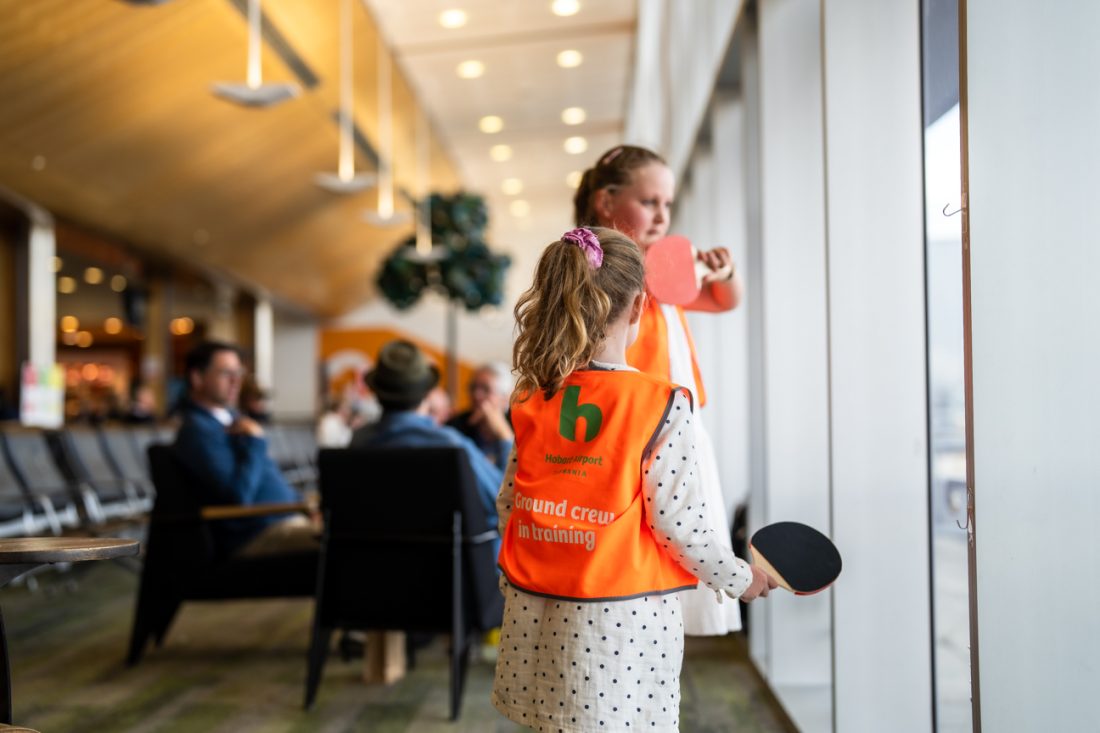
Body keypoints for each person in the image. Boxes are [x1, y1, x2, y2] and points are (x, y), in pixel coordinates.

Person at [492, 227, 774, 732]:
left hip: (533, 614)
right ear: (640, 306)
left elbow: (509, 502)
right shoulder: (662, 403)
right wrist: (740, 578)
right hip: (619, 627)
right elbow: (679, 524)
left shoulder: (532, 396)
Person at [573, 143, 745, 636]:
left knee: (682, 528)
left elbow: (721, 300)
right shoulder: (592, 259)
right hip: (628, 421)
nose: (661, 215)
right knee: (643, 537)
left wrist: (724, 271)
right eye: (649, 202)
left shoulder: (668, 264)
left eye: (667, 205)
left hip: (679, 420)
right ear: (606, 202)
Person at [349, 340, 504, 539]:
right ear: (426, 392)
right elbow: (503, 503)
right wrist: (504, 437)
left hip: (373, 563)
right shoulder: (450, 444)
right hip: (449, 565)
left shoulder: (358, 442)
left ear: (377, 393)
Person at [173, 341, 315, 559]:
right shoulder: (198, 431)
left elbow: (267, 478)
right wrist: (257, 442)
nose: (236, 381)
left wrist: (303, 505)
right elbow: (239, 496)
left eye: (238, 373)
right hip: (257, 534)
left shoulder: (231, 421)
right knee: (343, 543)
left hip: (283, 519)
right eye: (226, 373)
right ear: (197, 378)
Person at [446, 362, 513, 468]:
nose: (476, 395)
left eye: (486, 389)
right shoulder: (456, 425)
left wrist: (503, 433)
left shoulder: (520, 428)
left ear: (505, 398)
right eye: (473, 388)